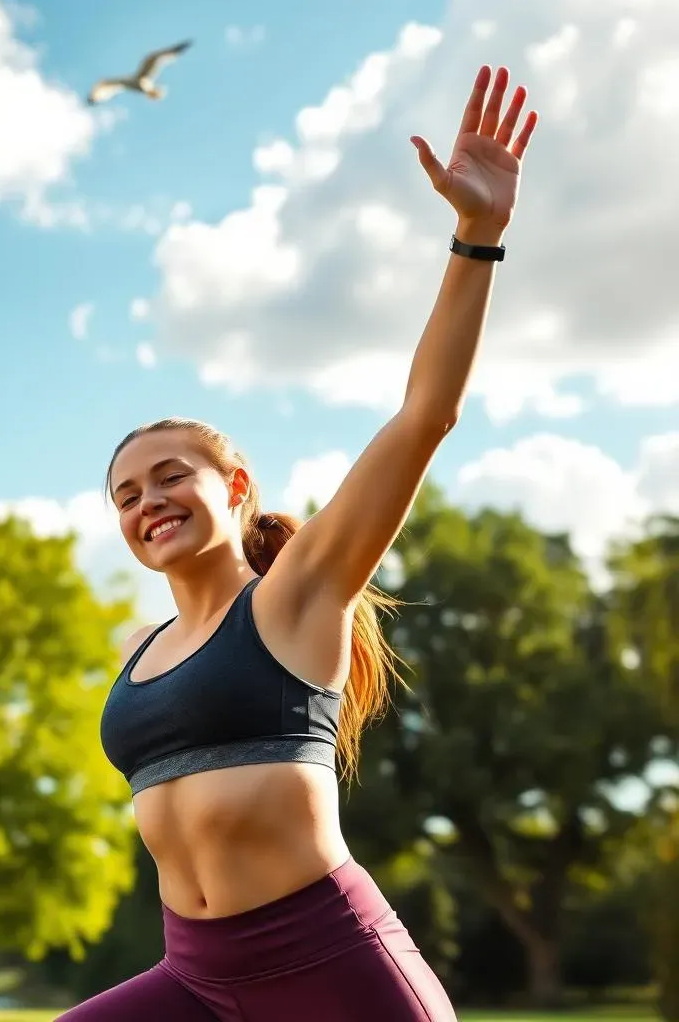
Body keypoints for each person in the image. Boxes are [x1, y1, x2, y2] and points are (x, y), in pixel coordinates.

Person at [57, 64, 538, 1022]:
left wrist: (476, 236)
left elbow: (423, 417)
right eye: (124, 495)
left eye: (170, 478)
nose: (147, 502)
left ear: (235, 490)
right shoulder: (136, 653)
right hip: (193, 976)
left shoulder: (297, 596)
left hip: (327, 970)